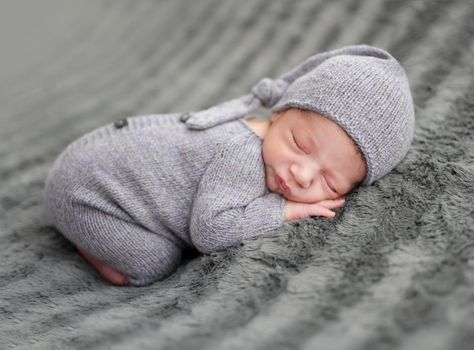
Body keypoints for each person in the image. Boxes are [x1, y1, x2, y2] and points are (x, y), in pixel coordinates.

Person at [42, 44, 415, 287]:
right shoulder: (242, 156)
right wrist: (282, 210)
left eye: (329, 182)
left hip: (89, 165)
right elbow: (210, 232)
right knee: (154, 263)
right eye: (299, 144)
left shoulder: (269, 141)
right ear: (280, 111)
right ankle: (85, 244)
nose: (301, 174)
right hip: (86, 193)